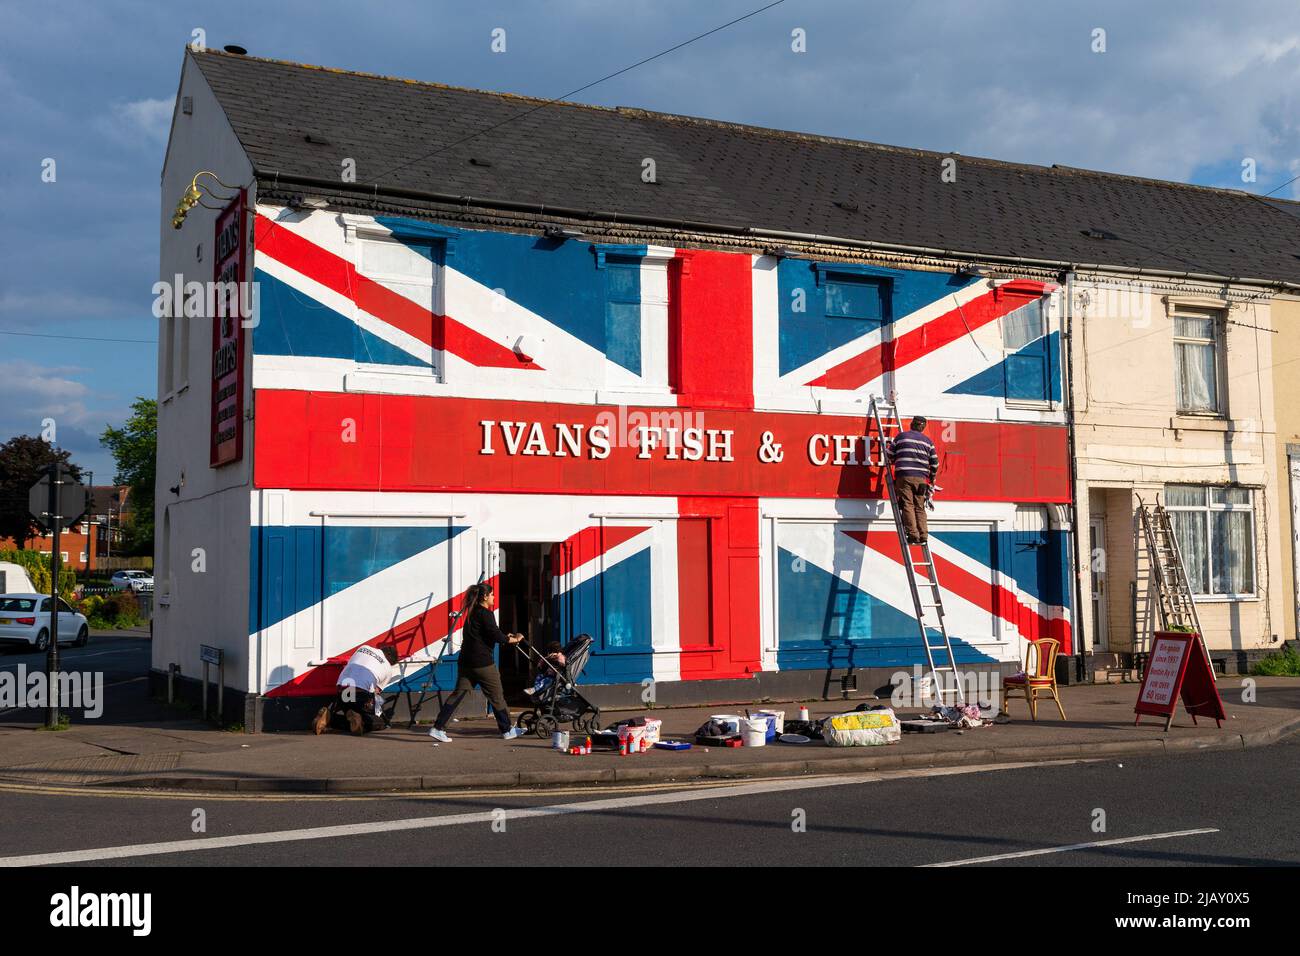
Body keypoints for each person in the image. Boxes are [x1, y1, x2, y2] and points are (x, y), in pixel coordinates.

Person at [428, 583, 528, 742]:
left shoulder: (471, 612)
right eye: (492, 594)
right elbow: (495, 635)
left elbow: (487, 634)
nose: (494, 597)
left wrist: (504, 637)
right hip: (483, 663)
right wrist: (514, 639)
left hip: (466, 662)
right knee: (496, 696)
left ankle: (438, 728)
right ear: (485, 597)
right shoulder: (486, 614)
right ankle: (507, 730)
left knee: (458, 695)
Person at [312, 644, 400, 735]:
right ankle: (353, 721)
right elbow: (376, 691)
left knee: (351, 712)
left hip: (343, 691)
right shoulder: (388, 669)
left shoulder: (363, 648)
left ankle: (328, 718)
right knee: (379, 723)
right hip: (360, 694)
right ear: (390, 660)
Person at [887, 415, 939, 545]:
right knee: (920, 506)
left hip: (904, 477)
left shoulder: (901, 437)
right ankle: (923, 535)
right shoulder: (928, 442)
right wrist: (931, 478)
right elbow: (935, 464)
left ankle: (913, 535)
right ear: (923, 427)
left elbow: (889, 455)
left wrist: (896, 459)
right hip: (921, 479)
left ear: (912, 424)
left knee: (907, 505)